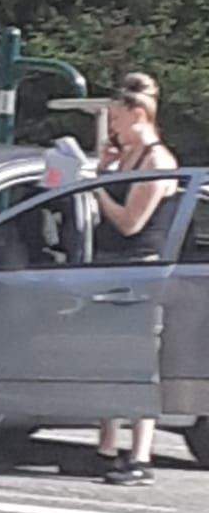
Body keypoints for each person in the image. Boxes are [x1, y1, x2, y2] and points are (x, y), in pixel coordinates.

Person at [89, 72, 179, 487]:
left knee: (140, 361)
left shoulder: (157, 162)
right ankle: (106, 447)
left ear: (137, 114)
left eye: (117, 120)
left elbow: (130, 222)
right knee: (108, 357)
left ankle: (141, 455)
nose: (113, 128)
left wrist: (97, 187)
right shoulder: (126, 157)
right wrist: (106, 168)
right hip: (111, 264)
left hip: (142, 265)